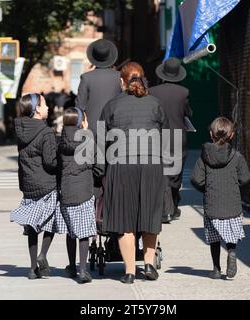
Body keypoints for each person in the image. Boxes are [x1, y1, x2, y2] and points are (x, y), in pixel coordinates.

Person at [100, 62, 168, 284]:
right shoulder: (155, 104)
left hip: (121, 165)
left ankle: (129, 271)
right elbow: (165, 137)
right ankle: (148, 264)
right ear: (143, 79)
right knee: (149, 215)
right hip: (151, 164)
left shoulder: (111, 106)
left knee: (125, 220)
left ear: (122, 81)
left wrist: (101, 172)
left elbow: (102, 142)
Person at [10, 93, 67, 279]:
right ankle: (43, 254)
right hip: (46, 183)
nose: (48, 108)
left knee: (32, 225)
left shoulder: (20, 130)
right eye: (44, 105)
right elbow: (50, 162)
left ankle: (32, 268)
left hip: (28, 183)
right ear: (36, 109)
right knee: (50, 220)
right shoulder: (46, 132)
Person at [191, 117, 250, 279]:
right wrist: (235, 186)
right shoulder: (236, 156)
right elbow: (245, 177)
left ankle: (216, 269)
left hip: (212, 205)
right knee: (231, 234)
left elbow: (196, 179)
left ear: (211, 134)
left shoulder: (205, 156)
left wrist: (206, 189)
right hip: (232, 204)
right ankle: (231, 251)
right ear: (231, 135)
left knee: (213, 237)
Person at [59, 107, 104, 283]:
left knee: (71, 232)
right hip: (85, 190)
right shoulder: (89, 140)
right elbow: (99, 168)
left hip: (66, 190)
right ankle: (83, 270)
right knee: (84, 231)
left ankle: (71, 266)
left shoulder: (60, 140)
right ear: (81, 122)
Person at [149, 57, 192, 222]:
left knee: (161, 172)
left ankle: (163, 208)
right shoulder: (184, 92)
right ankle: (172, 207)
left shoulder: (152, 91)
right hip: (177, 136)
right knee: (176, 174)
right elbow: (188, 112)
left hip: (158, 135)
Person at [75, 39, 122, 135]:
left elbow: (79, 106)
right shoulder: (119, 76)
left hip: (92, 129)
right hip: (116, 127)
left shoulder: (86, 77)